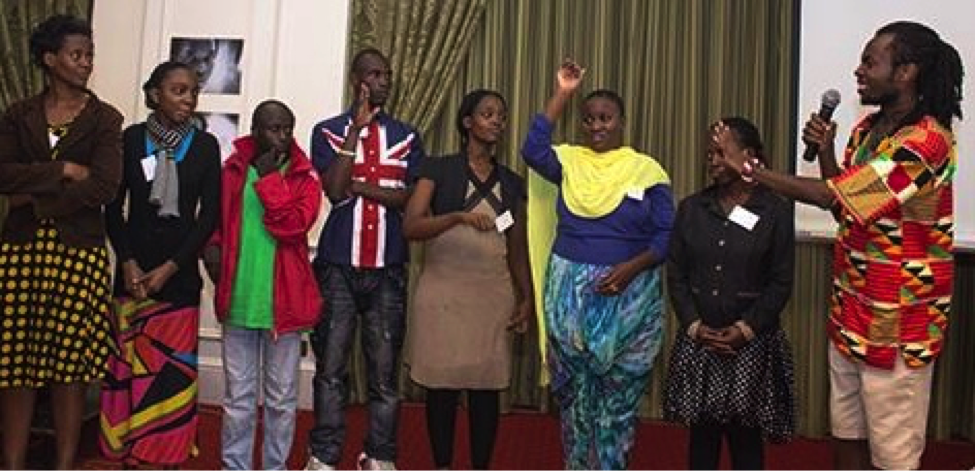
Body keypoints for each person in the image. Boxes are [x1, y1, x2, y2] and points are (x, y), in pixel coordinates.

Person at [710, 21, 963, 471]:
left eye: (871, 61)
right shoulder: (869, 129)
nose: (859, 71)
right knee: (846, 434)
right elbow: (845, 205)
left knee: (893, 456)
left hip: (900, 323)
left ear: (905, 72)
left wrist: (750, 169)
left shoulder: (927, 142)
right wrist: (826, 151)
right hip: (852, 313)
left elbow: (833, 195)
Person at [521, 60, 674, 470]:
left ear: (622, 121)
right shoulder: (569, 161)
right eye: (588, 119)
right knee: (574, 403)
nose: (596, 127)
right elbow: (531, 149)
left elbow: (664, 238)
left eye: (605, 118)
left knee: (617, 404)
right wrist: (563, 92)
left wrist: (629, 269)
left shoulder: (647, 170)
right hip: (570, 300)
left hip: (629, 300)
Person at [0, 14, 123, 471]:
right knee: (16, 365)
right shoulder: (18, 115)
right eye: (76, 54)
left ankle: (65, 464)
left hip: (78, 254)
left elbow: (105, 188)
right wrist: (64, 170)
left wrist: (31, 200)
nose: (86, 63)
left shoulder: (105, 119)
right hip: (19, 255)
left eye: (89, 54)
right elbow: (2, 172)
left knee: (70, 370)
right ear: (50, 60)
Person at [304, 48, 425, 471]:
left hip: (388, 270)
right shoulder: (328, 132)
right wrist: (355, 132)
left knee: (384, 374)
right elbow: (335, 190)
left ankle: (379, 455)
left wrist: (365, 187)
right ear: (356, 80)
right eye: (374, 74)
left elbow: (409, 197)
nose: (383, 80)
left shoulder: (408, 135)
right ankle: (323, 455)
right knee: (331, 369)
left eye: (387, 74)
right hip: (337, 267)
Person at [98, 60, 221, 468]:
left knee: (169, 373)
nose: (188, 99)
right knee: (128, 368)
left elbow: (209, 217)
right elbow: (113, 210)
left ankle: (165, 452)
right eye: (178, 90)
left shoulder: (205, 146)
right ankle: (124, 448)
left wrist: (170, 267)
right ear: (154, 94)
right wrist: (129, 263)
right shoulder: (130, 140)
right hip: (131, 278)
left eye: (192, 92)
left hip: (178, 277)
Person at [402, 89, 533, 471]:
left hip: (492, 293)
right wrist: (456, 217)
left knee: (486, 387)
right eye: (487, 113)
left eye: (501, 116)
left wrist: (524, 297)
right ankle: (442, 465)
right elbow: (412, 225)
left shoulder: (510, 182)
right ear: (466, 122)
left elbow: (515, 243)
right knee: (441, 387)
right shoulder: (437, 169)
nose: (496, 121)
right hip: (443, 291)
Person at [663, 117, 795, 471]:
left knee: (745, 441)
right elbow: (675, 272)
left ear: (749, 156)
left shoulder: (776, 211)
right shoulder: (692, 208)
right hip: (700, 340)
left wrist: (746, 328)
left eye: (722, 153)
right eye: (709, 154)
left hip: (751, 343)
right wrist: (693, 325)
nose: (713, 161)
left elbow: (781, 282)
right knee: (702, 441)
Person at [203, 100, 323, 471]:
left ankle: (275, 467)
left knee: (282, 400)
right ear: (255, 131)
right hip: (239, 300)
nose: (282, 137)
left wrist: (271, 181)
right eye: (273, 129)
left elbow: (291, 227)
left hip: (283, 308)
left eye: (288, 129)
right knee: (238, 399)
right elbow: (215, 225)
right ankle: (234, 466)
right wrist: (214, 253)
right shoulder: (232, 172)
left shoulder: (304, 178)